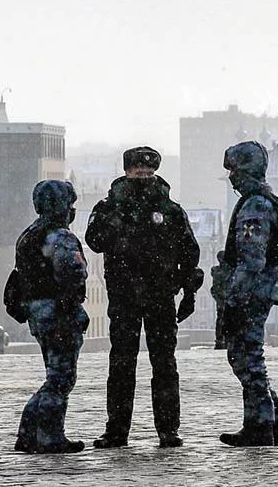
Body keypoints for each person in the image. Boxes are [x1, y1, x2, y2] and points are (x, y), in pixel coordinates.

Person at [85, 146, 202, 449]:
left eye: (149, 173)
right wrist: (117, 221)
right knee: (122, 364)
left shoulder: (170, 210)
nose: (144, 178)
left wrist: (189, 292)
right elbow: (94, 241)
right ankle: (117, 430)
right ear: (127, 172)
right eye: (138, 173)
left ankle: (168, 429)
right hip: (123, 296)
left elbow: (189, 253)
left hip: (160, 295)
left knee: (163, 364)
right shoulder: (109, 207)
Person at [219, 141, 278, 447]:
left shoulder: (255, 205)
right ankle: (269, 420)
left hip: (252, 291)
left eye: (234, 170)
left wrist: (233, 298)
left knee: (247, 358)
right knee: (248, 357)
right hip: (261, 288)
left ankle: (261, 424)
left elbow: (251, 258)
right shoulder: (266, 198)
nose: (231, 177)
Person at [14, 180, 90, 454]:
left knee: (54, 376)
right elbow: (74, 275)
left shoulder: (29, 235)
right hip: (59, 314)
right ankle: (49, 435)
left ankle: (28, 433)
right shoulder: (59, 237)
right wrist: (71, 309)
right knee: (61, 378)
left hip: (38, 314)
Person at [210, 250, 229, 350]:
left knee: (221, 319)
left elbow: (215, 289)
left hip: (222, 300)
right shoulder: (225, 271)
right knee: (225, 319)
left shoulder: (218, 271)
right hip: (226, 299)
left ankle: (220, 340)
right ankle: (223, 339)